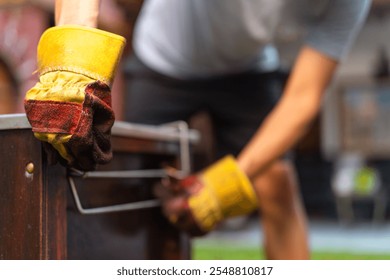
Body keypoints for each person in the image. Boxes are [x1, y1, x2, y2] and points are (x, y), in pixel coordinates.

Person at [24, 0, 371, 259]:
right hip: (165, 58)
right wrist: (73, 58)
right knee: (129, 188)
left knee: (277, 180)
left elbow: (303, 99)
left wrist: (223, 186)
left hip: (247, 69)